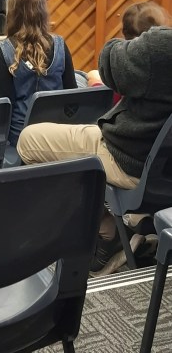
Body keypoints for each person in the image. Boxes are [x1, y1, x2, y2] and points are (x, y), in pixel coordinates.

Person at [17, 24, 172, 274]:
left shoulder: (160, 47)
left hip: (129, 161)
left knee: (28, 141)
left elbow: (108, 63)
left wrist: (139, 39)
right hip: (162, 170)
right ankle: (132, 224)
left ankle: (108, 230)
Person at [0, 0, 77, 146]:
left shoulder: (4, 49)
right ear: (42, 11)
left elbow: (6, 103)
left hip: (21, 136)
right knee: (82, 78)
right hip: (57, 133)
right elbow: (72, 94)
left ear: (12, 12)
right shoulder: (60, 44)